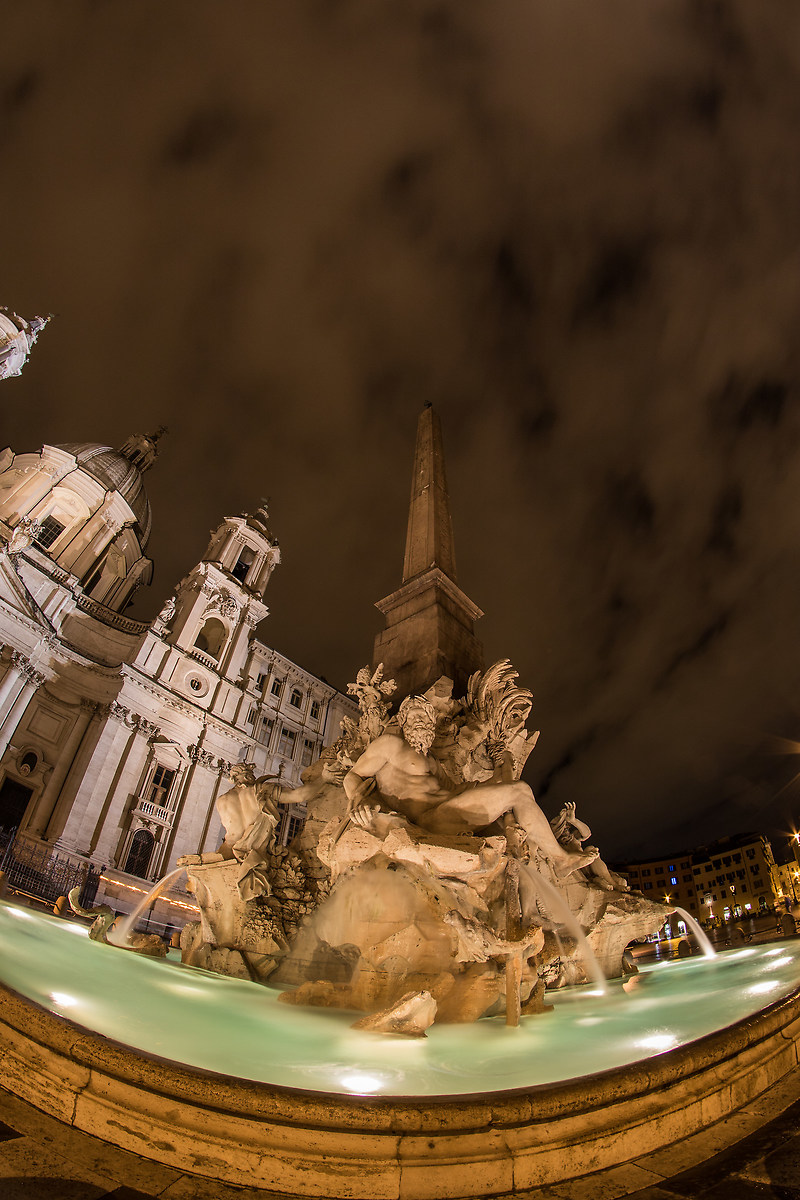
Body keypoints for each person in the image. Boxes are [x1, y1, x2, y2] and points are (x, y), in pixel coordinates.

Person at [343, 695, 598, 878]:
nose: (421, 720)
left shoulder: (432, 761)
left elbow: (458, 790)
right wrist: (359, 799)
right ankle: (560, 859)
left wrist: (499, 775)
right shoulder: (390, 744)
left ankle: (543, 865)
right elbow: (353, 775)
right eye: (415, 715)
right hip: (426, 821)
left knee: (517, 796)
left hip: (447, 811)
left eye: (425, 716)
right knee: (518, 792)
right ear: (404, 719)